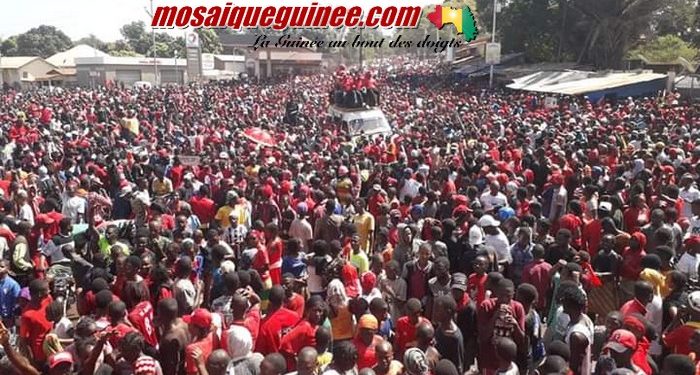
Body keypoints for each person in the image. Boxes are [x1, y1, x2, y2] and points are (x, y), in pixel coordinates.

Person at [433, 295, 465, 374]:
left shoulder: (455, 337)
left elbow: (458, 366)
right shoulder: (440, 328)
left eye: (437, 310)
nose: (434, 312)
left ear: (448, 312)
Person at [184, 308, 217, 375]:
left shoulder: (192, 349)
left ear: (197, 328)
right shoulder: (214, 336)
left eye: (191, 323)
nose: (188, 324)